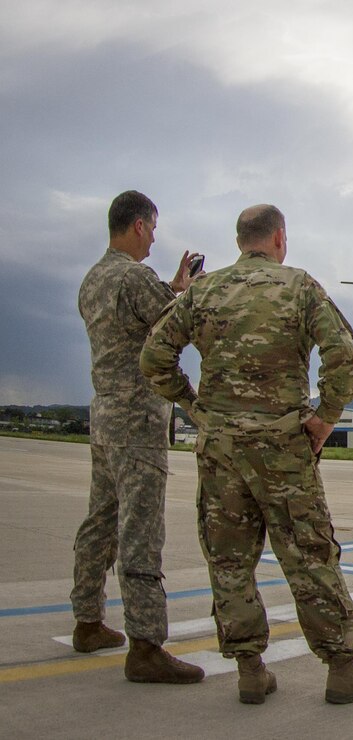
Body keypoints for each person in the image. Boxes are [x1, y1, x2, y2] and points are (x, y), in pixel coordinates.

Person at [140, 204, 353, 706]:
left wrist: (195, 407)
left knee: (230, 561)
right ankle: (341, 668)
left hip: (221, 451)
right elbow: (342, 357)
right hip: (283, 450)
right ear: (279, 238)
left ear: (239, 241)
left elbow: (154, 358)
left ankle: (250, 671)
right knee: (309, 555)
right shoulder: (299, 286)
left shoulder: (204, 291)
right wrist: (326, 417)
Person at [72, 190, 205, 684]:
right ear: (139, 225)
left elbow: (136, 320)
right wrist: (194, 292)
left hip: (104, 416)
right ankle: (146, 646)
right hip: (138, 421)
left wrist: (171, 286)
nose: (154, 238)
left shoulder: (94, 279)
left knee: (100, 522)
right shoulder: (135, 277)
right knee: (141, 532)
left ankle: (87, 621)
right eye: (153, 228)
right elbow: (176, 328)